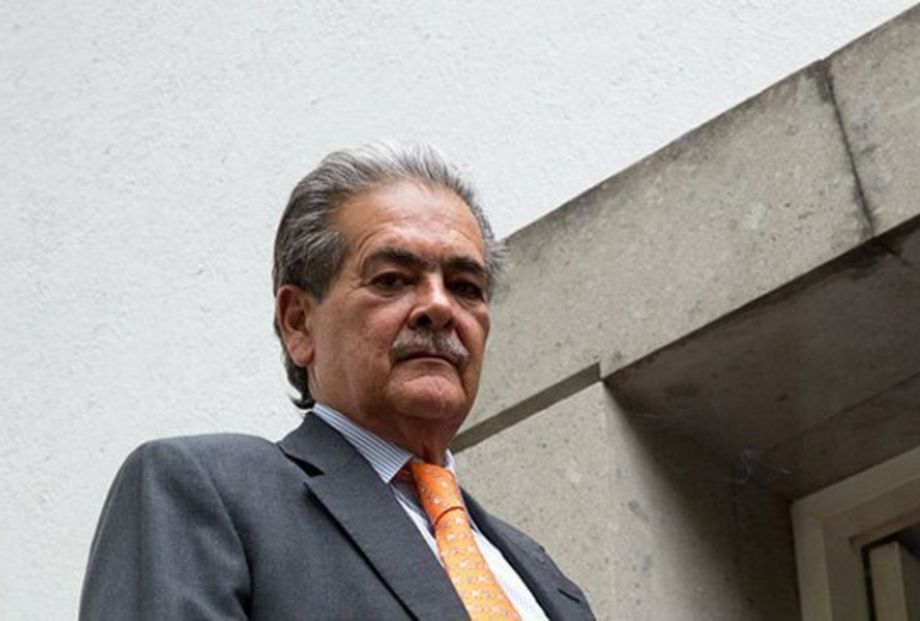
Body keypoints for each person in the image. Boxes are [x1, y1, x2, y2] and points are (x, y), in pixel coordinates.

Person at [79, 143, 595, 620]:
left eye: (465, 287)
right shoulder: (210, 491)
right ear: (299, 323)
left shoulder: (545, 579)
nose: (439, 307)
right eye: (392, 280)